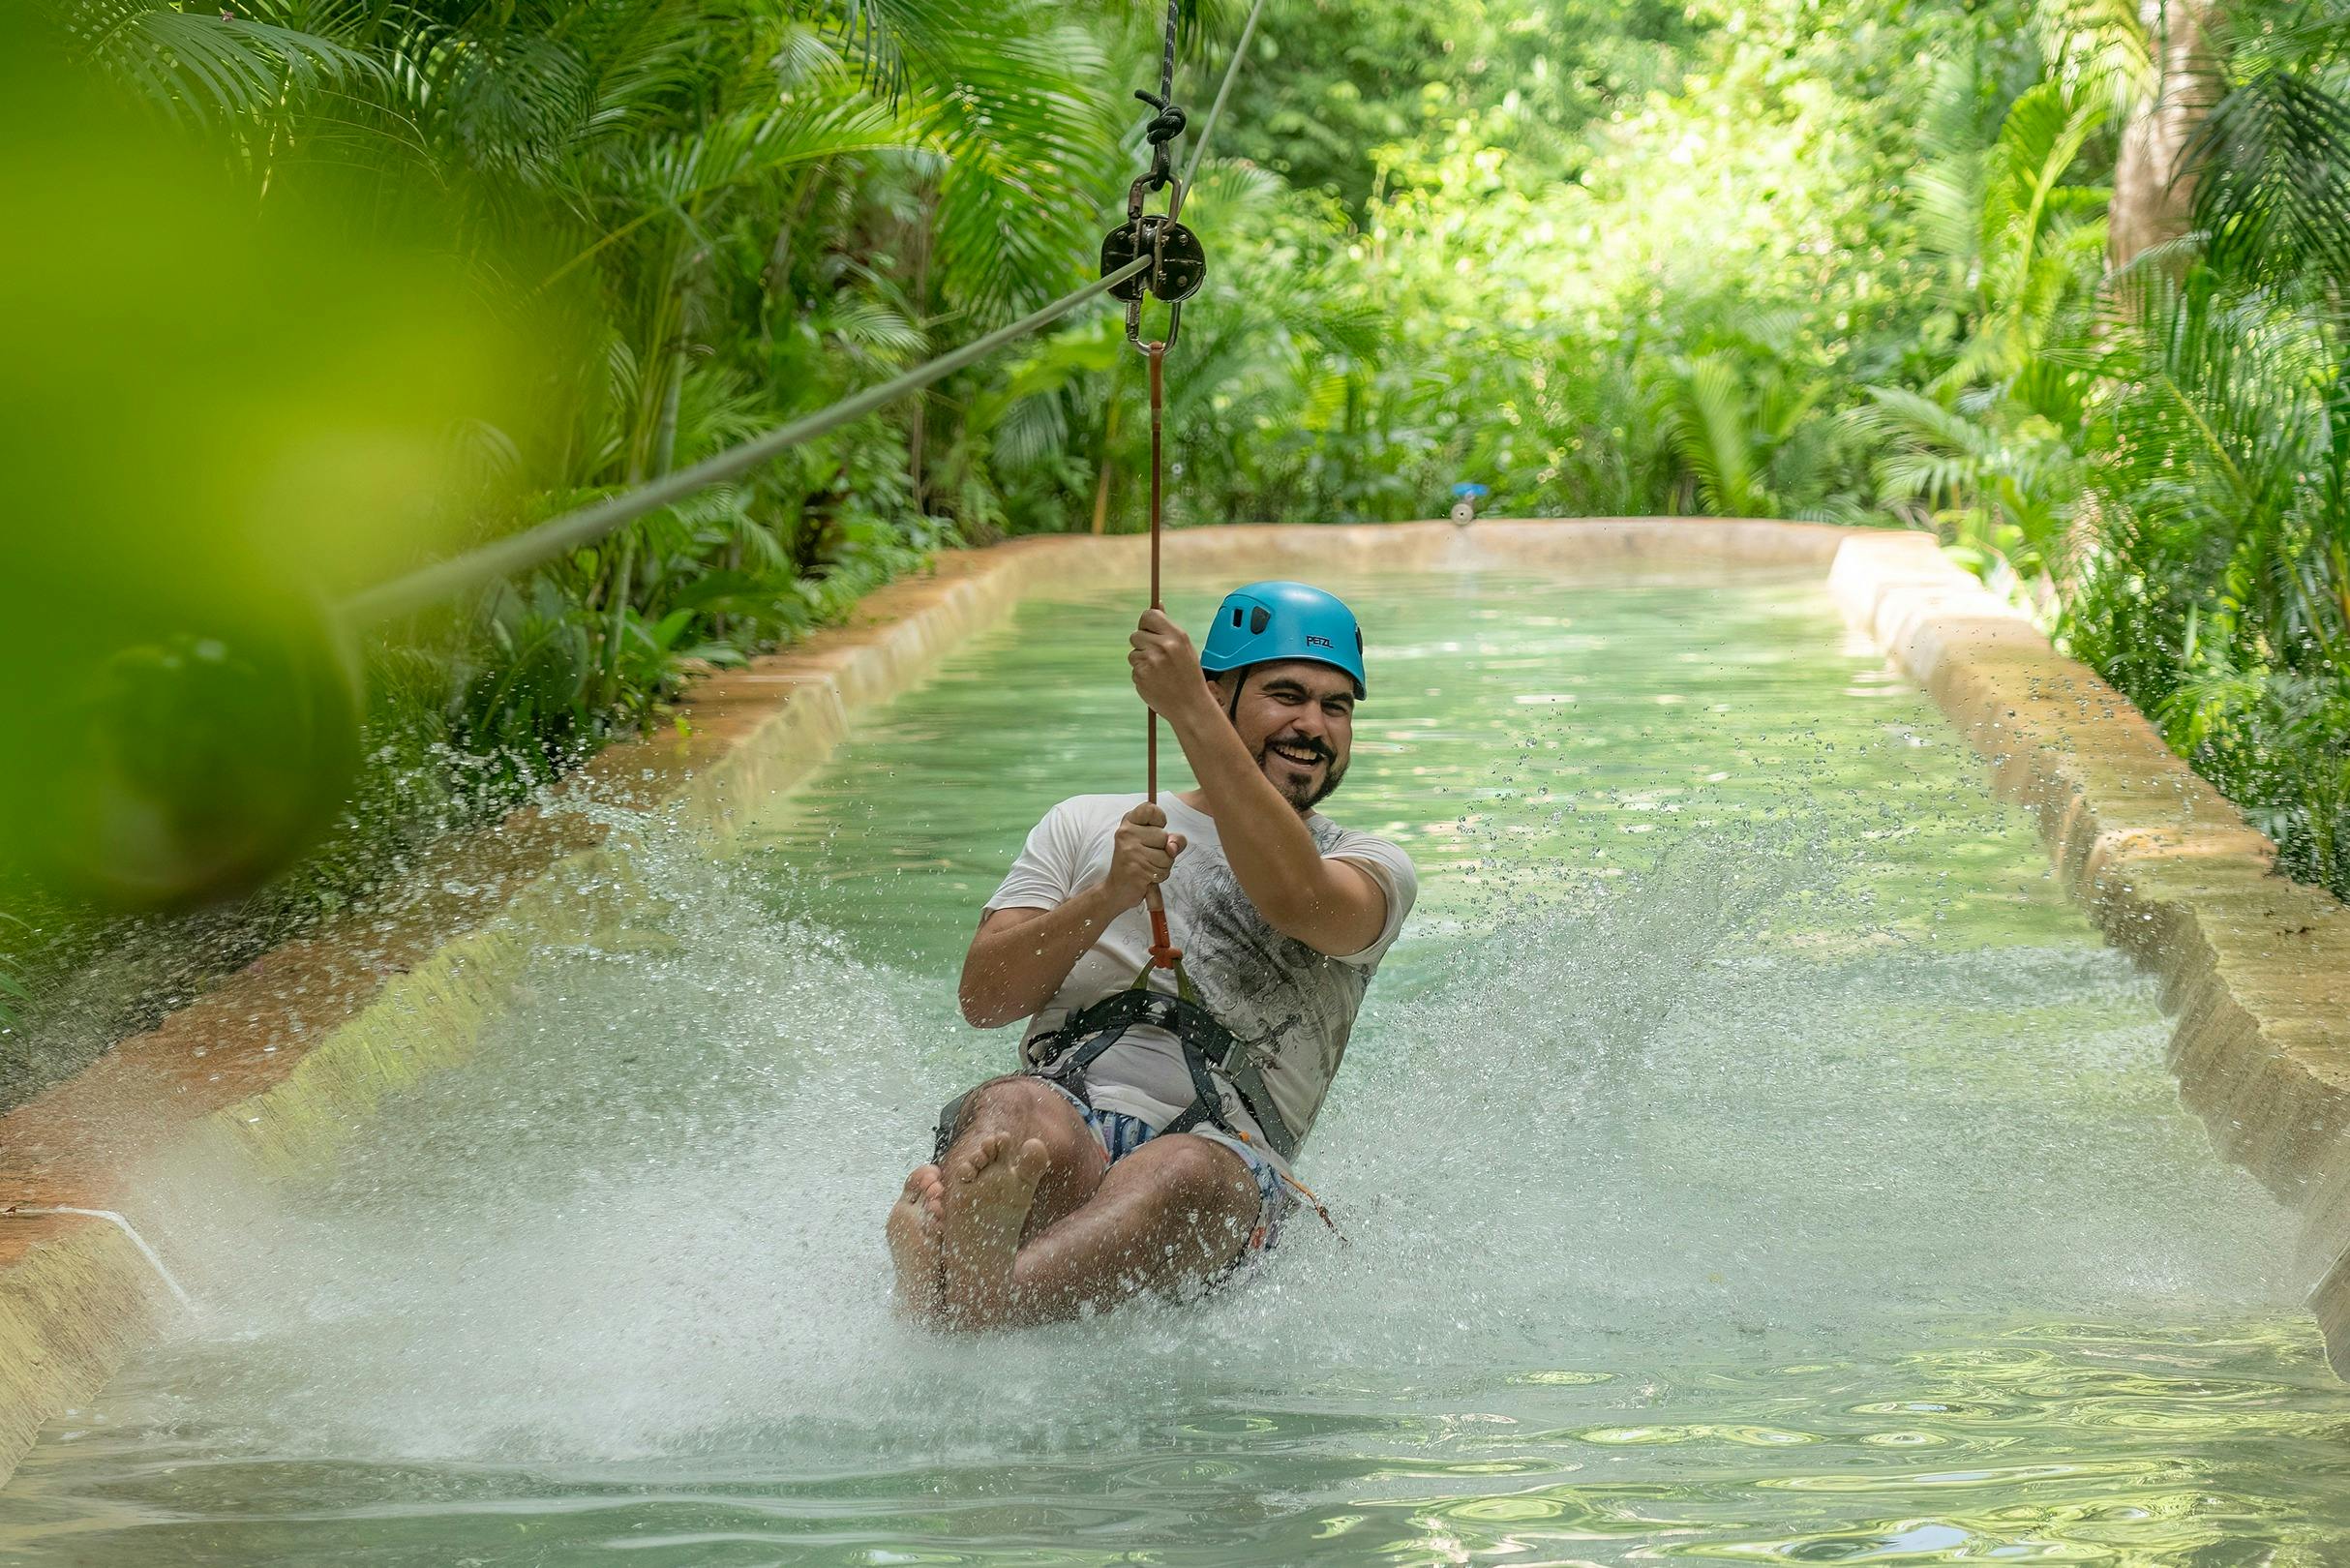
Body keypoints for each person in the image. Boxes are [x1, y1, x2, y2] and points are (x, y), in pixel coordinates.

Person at [886, 581, 1418, 1329]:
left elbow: (1298, 900)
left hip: (1223, 1154)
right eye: (1287, 695)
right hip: (1067, 1105)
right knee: (1021, 1110)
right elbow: (986, 999)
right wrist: (1103, 896)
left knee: (1181, 1170)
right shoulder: (1087, 823)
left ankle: (959, 1299)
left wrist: (1187, 712)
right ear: (1220, 692)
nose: (1313, 725)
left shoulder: (1367, 867)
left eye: (1337, 707)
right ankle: (979, 1292)